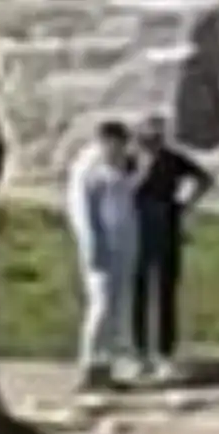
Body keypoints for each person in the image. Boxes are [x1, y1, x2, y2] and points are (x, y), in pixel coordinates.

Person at [130, 115, 215, 383]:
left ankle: (164, 351)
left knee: (165, 290)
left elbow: (204, 178)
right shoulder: (132, 160)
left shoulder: (172, 159)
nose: (153, 142)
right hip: (138, 227)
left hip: (166, 222)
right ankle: (140, 352)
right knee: (138, 290)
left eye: (157, 137)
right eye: (148, 137)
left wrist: (184, 204)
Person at [66, 119, 141, 390]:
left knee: (118, 306)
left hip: (124, 244)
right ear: (106, 142)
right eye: (117, 145)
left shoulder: (119, 165)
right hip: (101, 246)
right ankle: (89, 365)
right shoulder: (88, 169)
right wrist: (92, 245)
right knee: (101, 304)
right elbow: (82, 212)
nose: (121, 150)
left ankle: (107, 366)